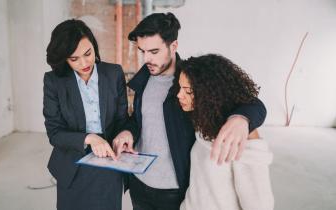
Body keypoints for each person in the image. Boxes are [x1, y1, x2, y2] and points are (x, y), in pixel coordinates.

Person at [112, 13, 267, 210]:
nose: (146, 59)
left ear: (173, 46)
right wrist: (128, 131)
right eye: (142, 51)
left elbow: (254, 104)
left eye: (154, 51)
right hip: (139, 185)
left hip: (175, 191)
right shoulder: (143, 80)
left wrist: (241, 118)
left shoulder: (191, 80)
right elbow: (139, 119)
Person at [43, 19, 129, 210]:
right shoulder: (54, 81)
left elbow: (123, 120)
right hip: (72, 163)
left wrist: (124, 135)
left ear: (94, 46)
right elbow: (54, 133)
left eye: (88, 53)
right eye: (74, 59)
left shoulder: (114, 73)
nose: (84, 63)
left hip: (109, 161)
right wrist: (89, 138)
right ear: (64, 59)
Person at [177, 54, 274, 210]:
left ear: (209, 93)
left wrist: (242, 119)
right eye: (180, 88)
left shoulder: (240, 136)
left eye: (187, 90)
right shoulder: (204, 123)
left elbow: (259, 205)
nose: (179, 95)